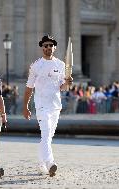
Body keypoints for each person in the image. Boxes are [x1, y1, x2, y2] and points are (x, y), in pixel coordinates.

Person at [23, 35, 73, 177]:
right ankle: (50, 163)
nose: (48, 48)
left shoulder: (61, 65)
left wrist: (68, 83)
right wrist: (25, 106)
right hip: (41, 105)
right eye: (45, 45)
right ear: (42, 48)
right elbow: (29, 88)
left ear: (54, 47)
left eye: (51, 45)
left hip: (55, 106)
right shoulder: (36, 66)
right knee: (45, 134)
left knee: (49, 137)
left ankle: (41, 164)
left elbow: (62, 87)